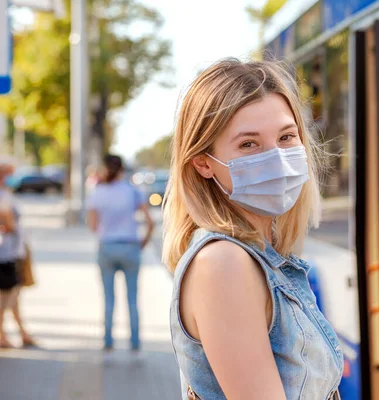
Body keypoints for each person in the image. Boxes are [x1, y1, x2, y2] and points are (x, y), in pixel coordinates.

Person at [163, 59, 343, 400]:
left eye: (287, 136)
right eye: (249, 144)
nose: (276, 157)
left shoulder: (261, 256)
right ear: (203, 162)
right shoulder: (223, 263)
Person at [87, 155, 155, 351]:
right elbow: (150, 222)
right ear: (121, 170)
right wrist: (143, 242)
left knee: (108, 298)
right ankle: (135, 342)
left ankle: (108, 341)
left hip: (107, 247)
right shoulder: (133, 191)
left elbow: (92, 226)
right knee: (133, 298)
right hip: (130, 246)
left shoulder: (97, 192)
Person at [0, 160, 20, 348]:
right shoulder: (4, 197)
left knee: (12, 294)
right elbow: (9, 222)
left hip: (9, 251)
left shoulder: (6, 195)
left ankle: (21, 331)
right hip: (5, 253)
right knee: (8, 293)